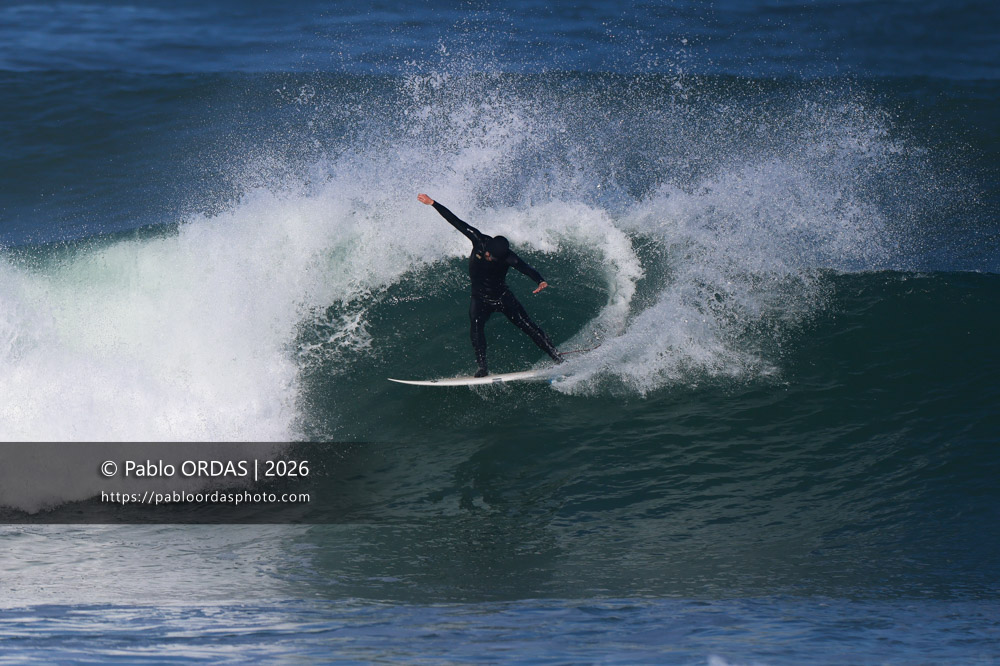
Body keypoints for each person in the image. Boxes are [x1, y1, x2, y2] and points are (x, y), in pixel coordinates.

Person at [418, 193, 563, 377]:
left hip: (502, 296)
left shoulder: (509, 258)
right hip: (480, 297)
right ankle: (482, 367)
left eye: (493, 258)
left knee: (528, 325)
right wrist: (433, 203)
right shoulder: (479, 240)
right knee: (476, 326)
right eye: (488, 255)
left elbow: (526, 268)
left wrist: (540, 280)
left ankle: (556, 356)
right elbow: (455, 221)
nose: (489, 258)